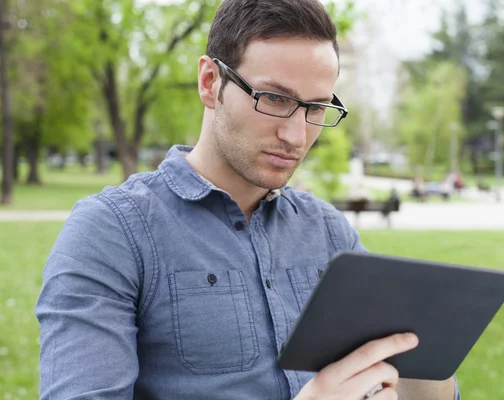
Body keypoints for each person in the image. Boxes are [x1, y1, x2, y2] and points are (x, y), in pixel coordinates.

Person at [35, 1, 460, 399]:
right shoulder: (111, 232)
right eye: (274, 98)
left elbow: (414, 381)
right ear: (209, 83)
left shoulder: (329, 232)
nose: (296, 136)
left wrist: (423, 362)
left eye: (316, 107)